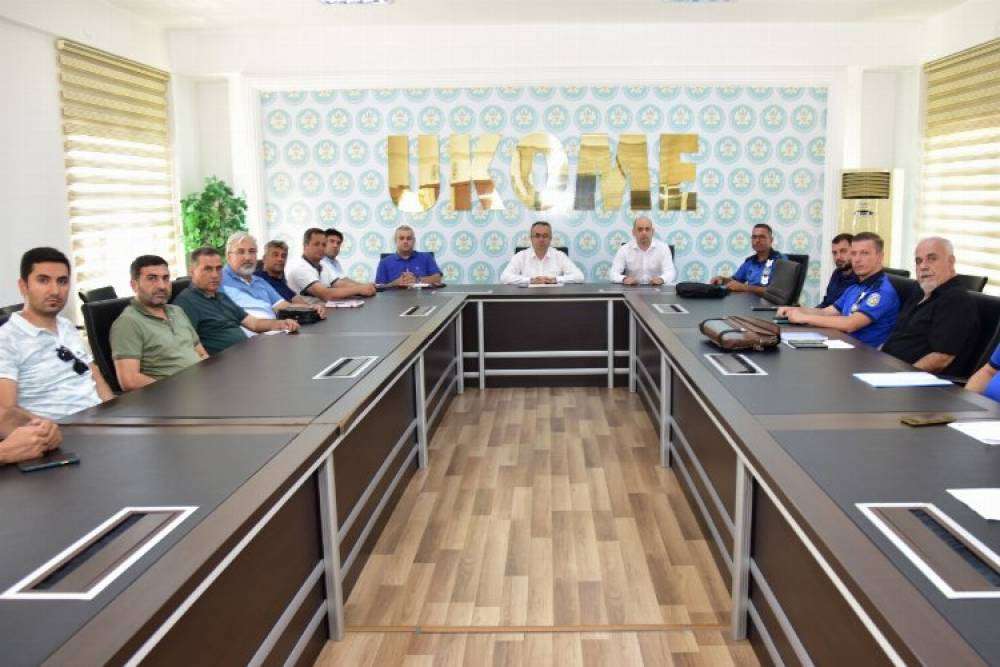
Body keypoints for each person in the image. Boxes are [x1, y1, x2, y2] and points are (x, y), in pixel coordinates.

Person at [0, 247, 113, 420]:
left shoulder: (66, 326)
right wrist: (51, 431)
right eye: (43, 280)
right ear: (23, 286)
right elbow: (6, 412)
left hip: (100, 422)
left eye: (62, 281)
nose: (55, 291)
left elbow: (94, 375)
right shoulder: (6, 339)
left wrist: (115, 413)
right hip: (57, 431)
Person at [777, 232, 899, 347]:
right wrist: (795, 310)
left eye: (864, 253)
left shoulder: (882, 291)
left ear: (880, 257)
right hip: (842, 345)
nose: (857, 259)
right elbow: (826, 312)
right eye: (854, 253)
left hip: (865, 354)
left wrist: (804, 317)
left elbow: (851, 324)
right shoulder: (855, 287)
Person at [174, 247, 299, 356]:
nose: (215, 275)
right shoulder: (186, 302)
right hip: (222, 366)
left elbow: (254, 323)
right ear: (192, 271)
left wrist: (281, 324)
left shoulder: (221, 296)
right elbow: (189, 346)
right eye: (207, 269)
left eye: (218, 269)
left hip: (248, 354)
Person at [110, 255, 208, 391]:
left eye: (165, 278)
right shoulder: (128, 323)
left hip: (202, 385)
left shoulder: (177, 311)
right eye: (152, 278)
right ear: (134, 285)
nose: (162, 286)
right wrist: (177, 389)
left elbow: (201, 353)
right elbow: (129, 380)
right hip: (172, 395)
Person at [882, 237, 979, 374]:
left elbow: (941, 359)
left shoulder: (956, 300)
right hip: (887, 366)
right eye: (918, 261)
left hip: (914, 379)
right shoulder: (920, 291)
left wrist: (901, 377)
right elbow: (897, 337)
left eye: (932, 259)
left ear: (951, 262)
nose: (923, 266)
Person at [221, 232, 326, 320]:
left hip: (275, 332)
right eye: (240, 252)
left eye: (252, 251)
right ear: (228, 256)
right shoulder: (220, 280)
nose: (248, 257)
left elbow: (284, 306)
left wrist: (312, 308)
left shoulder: (260, 282)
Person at [286, 228, 377, 304]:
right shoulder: (299, 267)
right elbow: (326, 294)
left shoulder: (322, 265)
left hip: (325, 312)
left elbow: (340, 284)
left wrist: (365, 287)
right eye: (316, 244)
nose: (321, 248)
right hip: (305, 317)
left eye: (323, 245)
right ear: (305, 246)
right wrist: (359, 289)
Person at [500, 221, 584, 285]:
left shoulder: (559, 256)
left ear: (550, 238)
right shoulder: (521, 256)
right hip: (528, 298)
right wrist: (530, 280)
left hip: (554, 298)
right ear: (531, 238)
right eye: (537, 236)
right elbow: (504, 277)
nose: (541, 239)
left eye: (545, 236)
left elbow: (579, 277)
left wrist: (555, 279)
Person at [711, 223, 785, 295]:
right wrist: (722, 280)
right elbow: (736, 281)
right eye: (754, 237)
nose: (757, 240)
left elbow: (778, 292)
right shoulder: (750, 261)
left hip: (769, 302)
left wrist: (745, 287)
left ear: (771, 240)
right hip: (748, 301)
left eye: (762, 237)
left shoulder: (781, 261)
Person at [609, 216, 676, 286]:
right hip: (632, 289)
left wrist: (661, 279)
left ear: (652, 232)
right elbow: (613, 274)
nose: (644, 232)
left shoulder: (663, 248)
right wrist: (624, 279)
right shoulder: (624, 249)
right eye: (640, 229)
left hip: (657, 288)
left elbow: (671, 272)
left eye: (647, 229)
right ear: (633, 232)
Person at [375, 225, 443, 288]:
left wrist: (417, 280)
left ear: (414, 241)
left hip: (422, 296)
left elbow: (438, 278)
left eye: (409, 238)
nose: (405, 241)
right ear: (395, 241)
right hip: (394, 297)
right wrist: (394, 283)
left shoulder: (426, 257)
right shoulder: (384, 262)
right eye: (401, 238)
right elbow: (379, 287)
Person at [817, 233, 855, 308]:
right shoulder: (837, 273)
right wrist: (804, 311)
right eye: (834, 253)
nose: (838, 257)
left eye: (843, 251)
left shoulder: (862, 277)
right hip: (827, 313)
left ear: (854, 252)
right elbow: (826, 304)